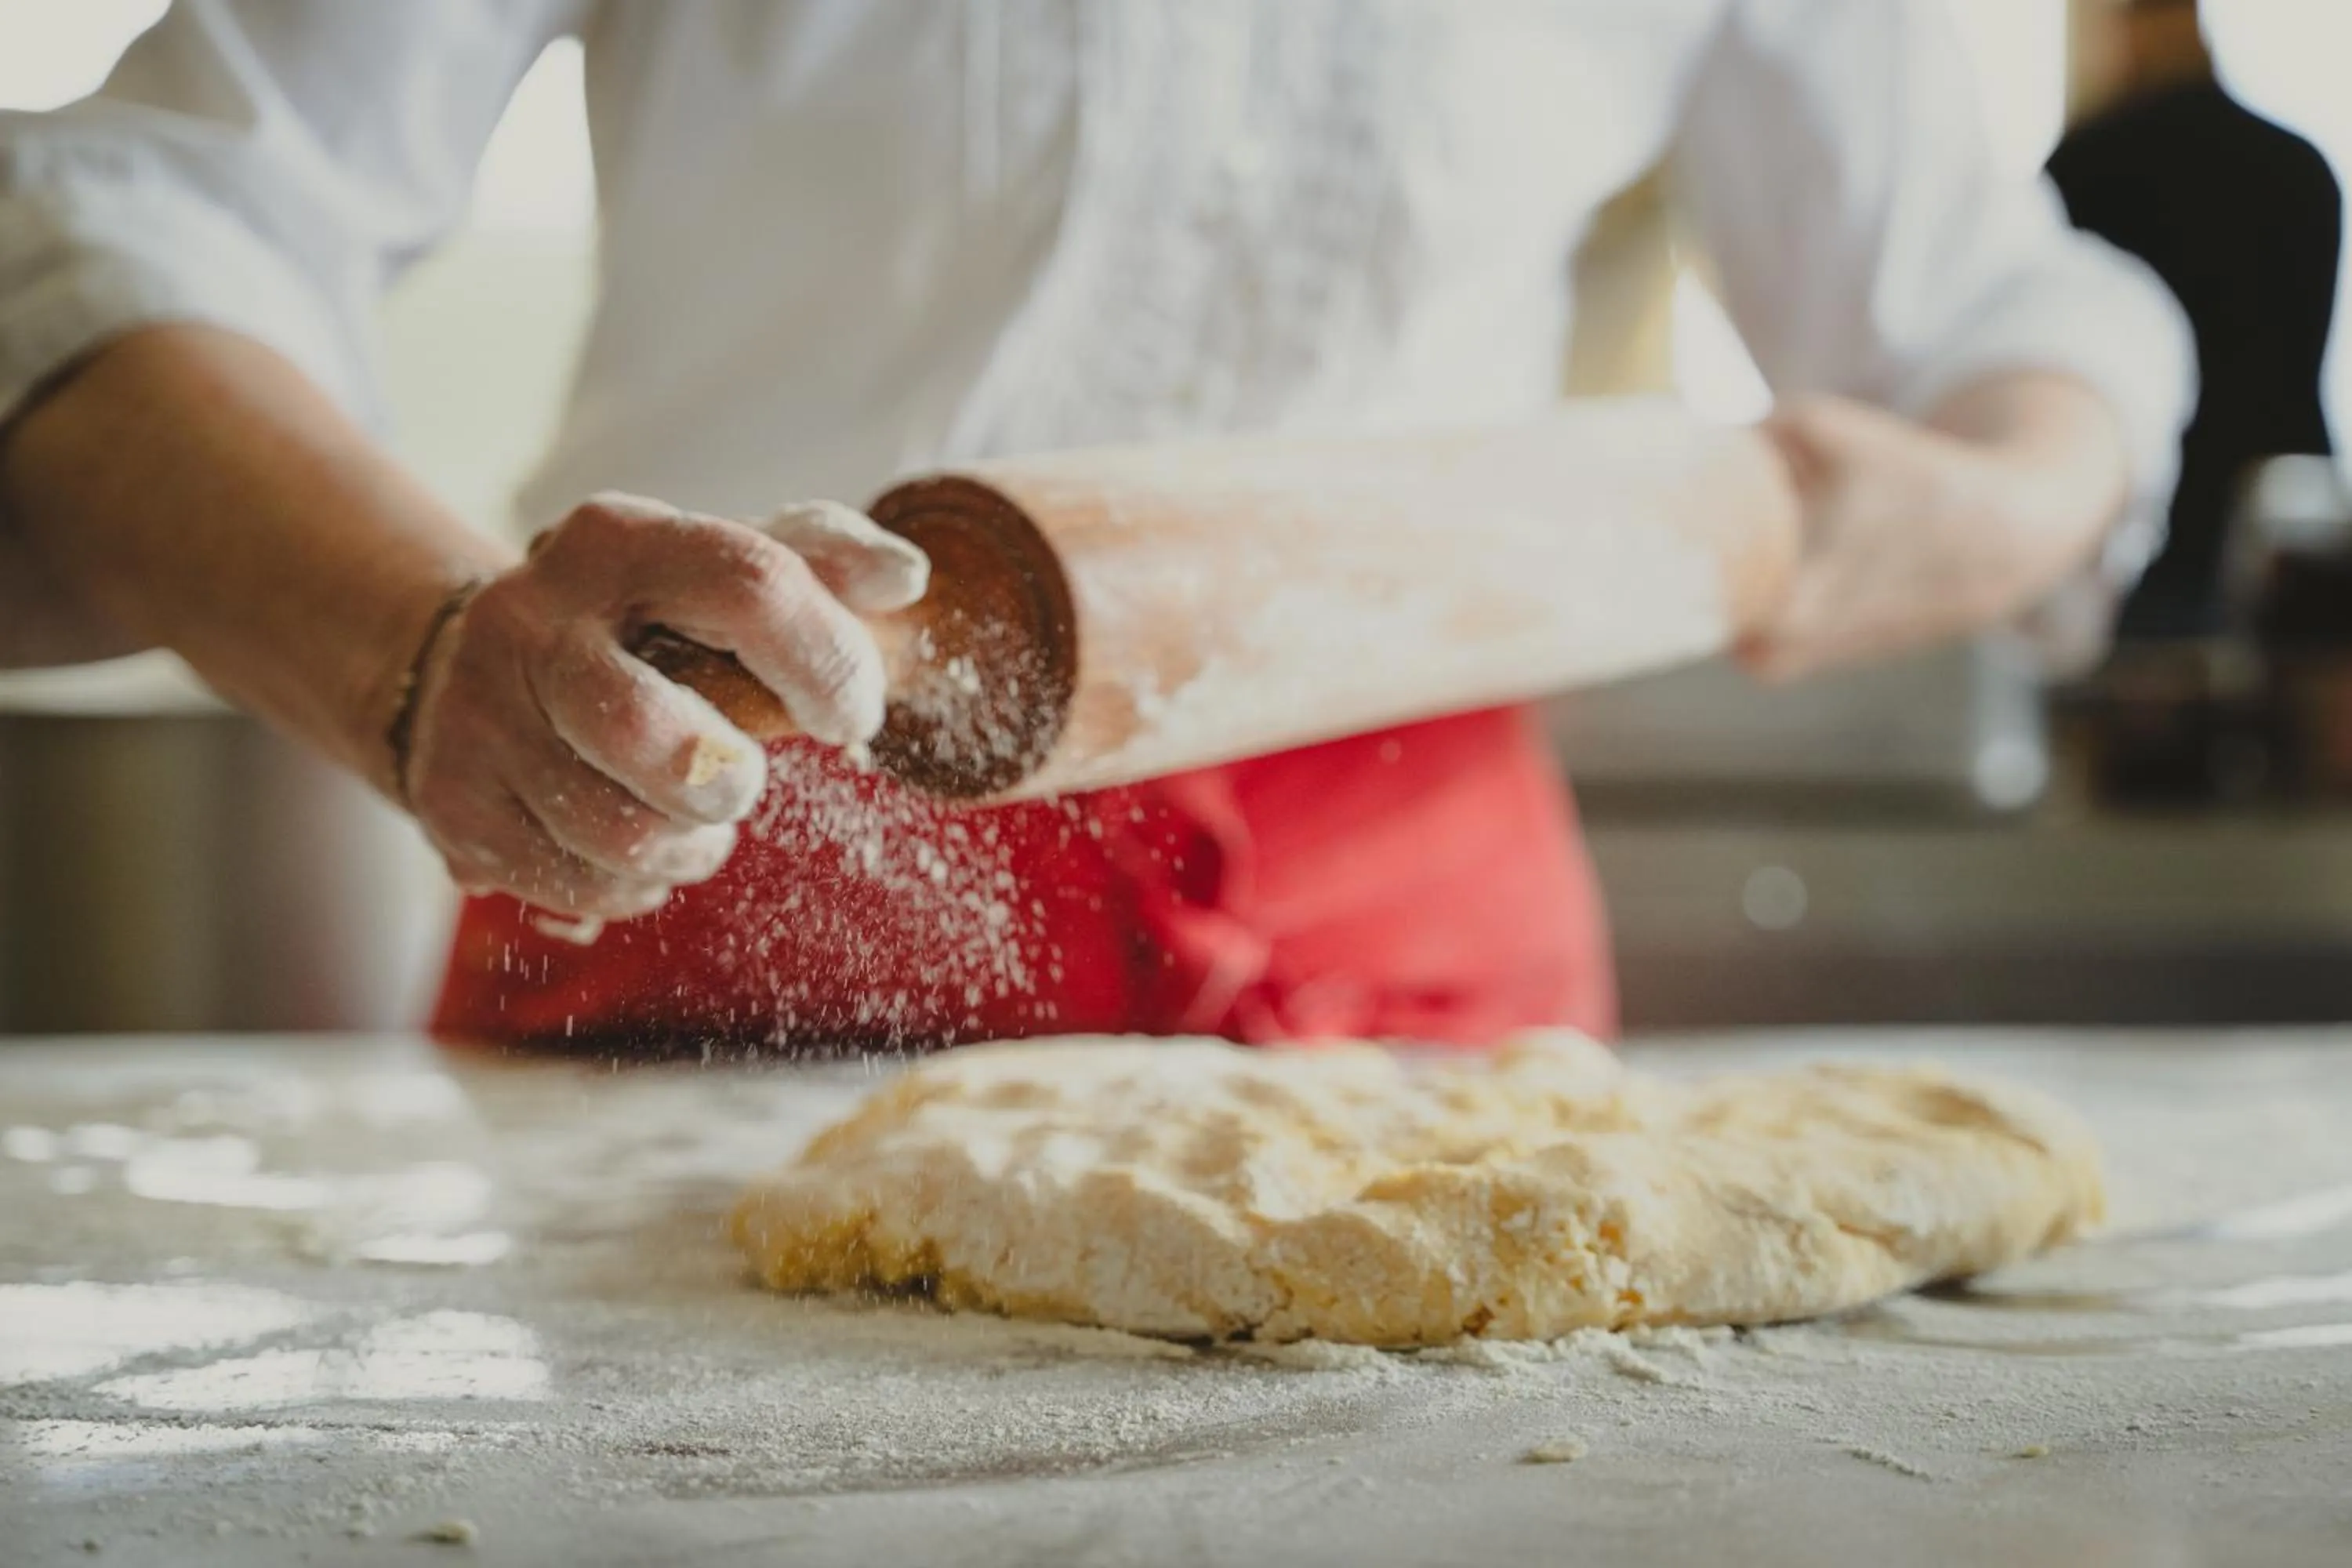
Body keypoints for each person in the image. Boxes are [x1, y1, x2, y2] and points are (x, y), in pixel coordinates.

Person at [0, 2, 2190, 1054]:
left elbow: (1995, 318)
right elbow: (138, 213)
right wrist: (423, 647)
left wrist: (1993, 483)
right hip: (700, 872)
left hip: (1417, 994)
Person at [2049, 0, 2340, 641]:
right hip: (2278, 519)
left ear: (2129, 31)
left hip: (2151, 526)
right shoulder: (2300, 167)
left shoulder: (2084, 169)